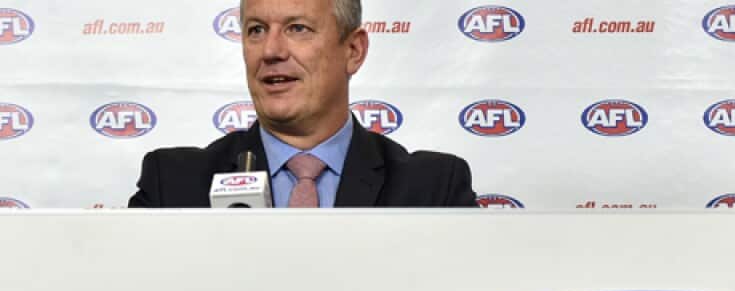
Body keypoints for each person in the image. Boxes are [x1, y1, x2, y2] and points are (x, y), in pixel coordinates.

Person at [130, 0, 476, 208]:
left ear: (353, 51)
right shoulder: (173, 184)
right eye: (256, 30)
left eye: (297, 28)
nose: (271, 51)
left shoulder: (432, 188)